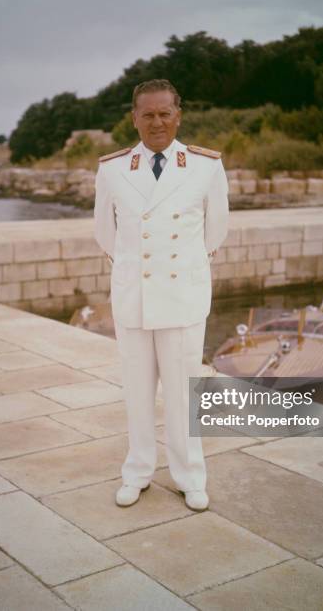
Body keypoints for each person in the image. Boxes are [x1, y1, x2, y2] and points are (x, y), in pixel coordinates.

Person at [94, 79, 229, 511]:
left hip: (182, 299)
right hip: (134, 299)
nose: (156, 122)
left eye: (164, 113)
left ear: (178, 115)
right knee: (136, 394)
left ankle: (190, 477)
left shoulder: (205, 167)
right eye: (147, 114)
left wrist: (184, 273)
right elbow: (105, 234)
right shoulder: (112, 169)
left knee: (182, 394)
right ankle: (137, 473)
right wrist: (136, 272)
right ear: (134, 118)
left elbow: (215, 233)